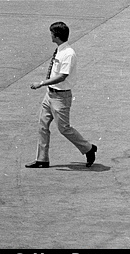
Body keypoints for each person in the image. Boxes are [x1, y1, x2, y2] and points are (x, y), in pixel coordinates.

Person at [25, 21, 97, 169]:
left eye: (51, 34)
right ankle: (42, 159)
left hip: (61, 97)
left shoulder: (68, 54)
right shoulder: (59, 50)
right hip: (50, 95)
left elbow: (62, 76)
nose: (50, 36)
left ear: (56, 36)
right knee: (42, 125)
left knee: (64, 128)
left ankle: (88, 148)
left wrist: (41, 83)